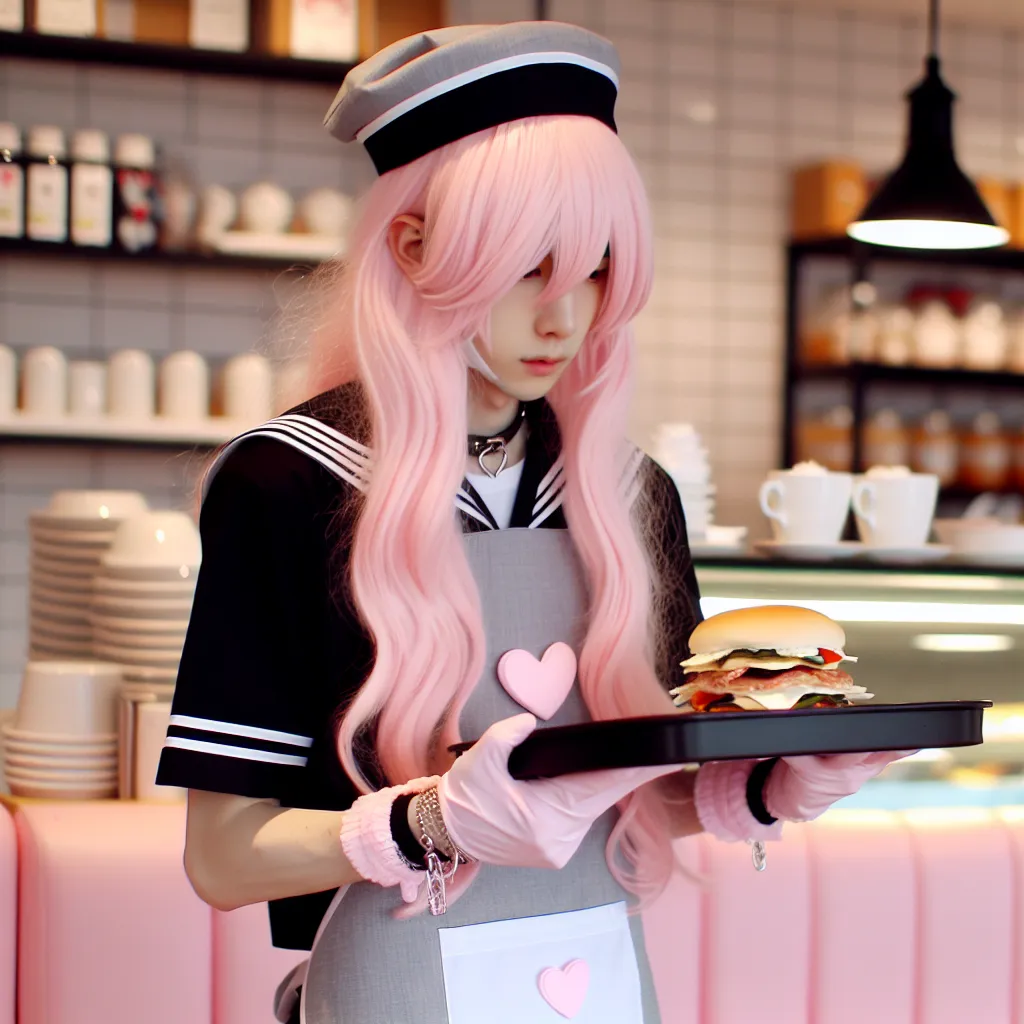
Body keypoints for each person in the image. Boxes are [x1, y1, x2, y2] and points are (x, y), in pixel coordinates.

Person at [156, 22, 907, 1024]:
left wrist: (765, 789)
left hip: (594, 974)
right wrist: (427, 820)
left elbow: (615, 805)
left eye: (595, 268)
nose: (566, 317)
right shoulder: (290, 484)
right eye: (525, 268)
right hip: (390, 987)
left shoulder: (627, 494)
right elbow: (220, 857)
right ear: (416, 251)